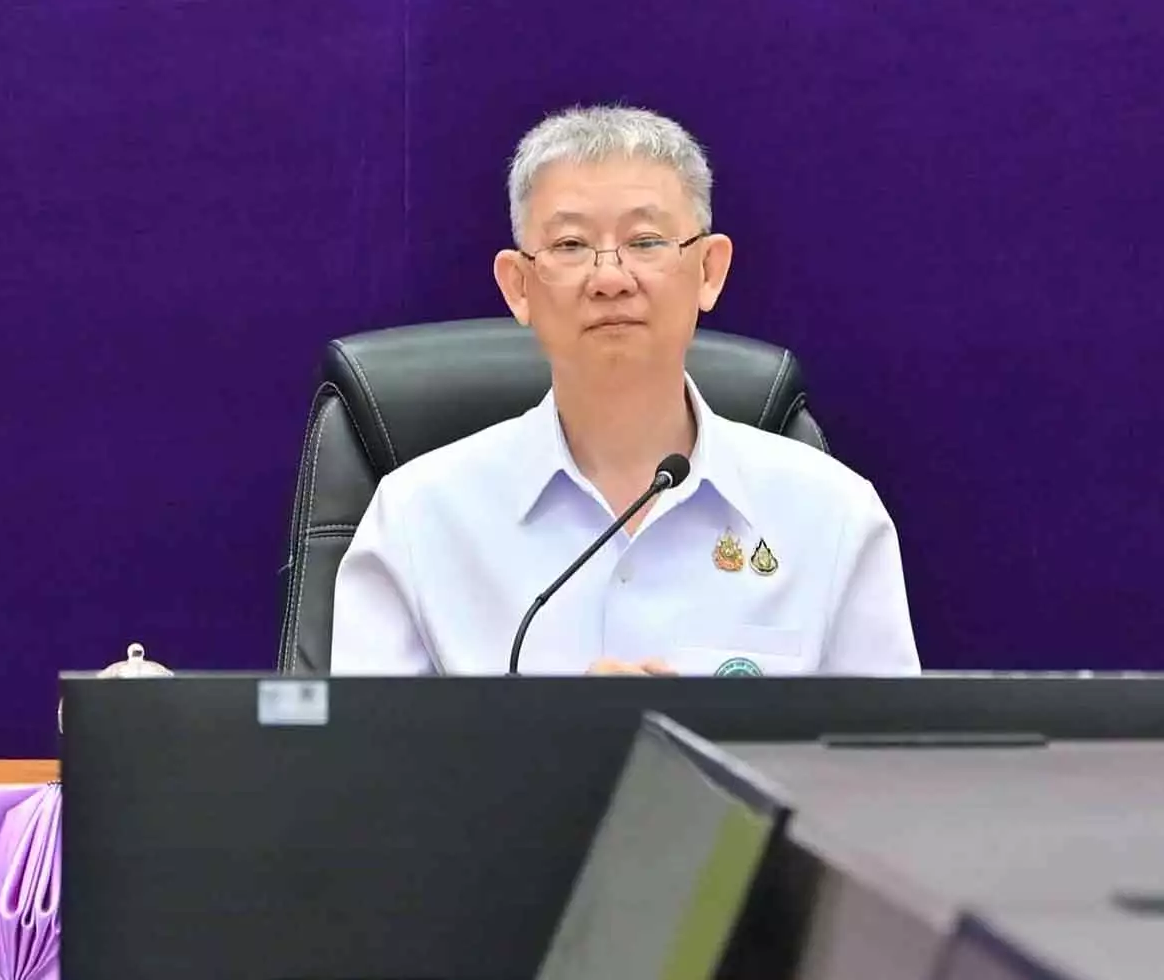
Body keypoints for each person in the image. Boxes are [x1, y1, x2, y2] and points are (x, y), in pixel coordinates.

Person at [329, 105, 920, 677]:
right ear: (518, 286)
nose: (610, 279)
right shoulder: (417, 518)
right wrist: (563, 734)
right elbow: (370, 747)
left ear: (709, 271)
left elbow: (882, 747)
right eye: (570, 246)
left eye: (645, 241)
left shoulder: (833, 516)